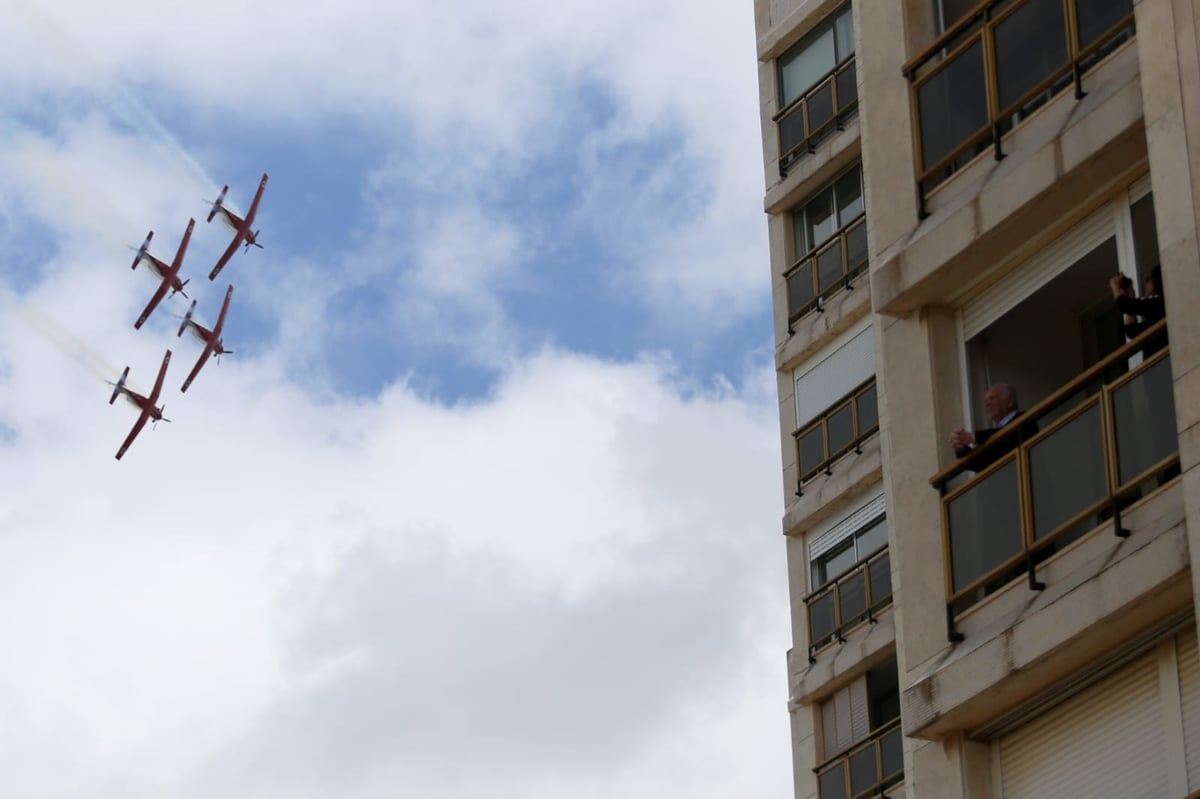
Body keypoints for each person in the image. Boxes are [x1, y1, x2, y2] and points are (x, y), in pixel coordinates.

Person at [950, 383, 1033, 468]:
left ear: (1009, 402)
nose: (987, 404)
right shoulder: (994, 437)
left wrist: (973, 437)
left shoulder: (1026, 420)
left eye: (992, 398)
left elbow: (1007, 436)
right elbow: (980, 463)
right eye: (986, 401)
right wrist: (961, 449)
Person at [1109, 267, 1166, 357]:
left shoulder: (1160, 303)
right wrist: (1130, 297)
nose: (1146, 284)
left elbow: (1124, 305)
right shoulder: (1155, 311)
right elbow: (1132, 331)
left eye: (1149, 279)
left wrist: (1116, 288)